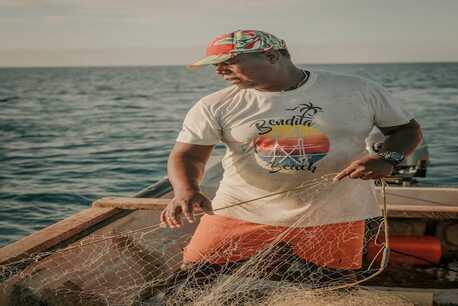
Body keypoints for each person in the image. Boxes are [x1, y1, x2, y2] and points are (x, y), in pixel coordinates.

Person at [160, 30, 422, 283]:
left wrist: (388, 158)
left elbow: (406, 130)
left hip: (335, 213)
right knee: (194, 276)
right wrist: (185, 190)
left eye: (229, 62)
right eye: (215, 65)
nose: (219, 71)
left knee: (331, 285)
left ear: (272, 56)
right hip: (240, 209)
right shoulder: (214, 104)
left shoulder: (358, 90)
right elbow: (188, 155)